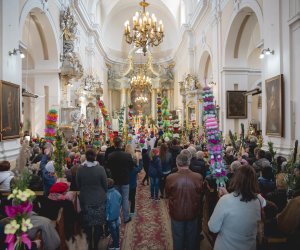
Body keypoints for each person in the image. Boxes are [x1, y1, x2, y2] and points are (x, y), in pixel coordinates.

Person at [208, 165, 266, 250]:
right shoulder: (259, 199)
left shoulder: (225, 200)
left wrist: (226, 196)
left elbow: (213, 227)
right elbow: (242, 203)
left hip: (226, 246)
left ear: (236, 179)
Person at [165, 154, 203, 250]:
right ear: (189, 163)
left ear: (177, 163)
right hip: (193, 212)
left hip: (177, 213)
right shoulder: (198, 177)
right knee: (192, 239)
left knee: (178, 239)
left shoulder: (170, 178)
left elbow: (168, 194)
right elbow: (201, 193)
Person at [76, 149, 108, 250]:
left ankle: (90, 243)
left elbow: (78, 185)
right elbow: (105, 185)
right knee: (98, 224)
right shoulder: (100, 169)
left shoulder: (80, 169)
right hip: (99, 199)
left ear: (86, 157)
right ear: (95, 157)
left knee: (88, 225)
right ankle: (96, 243)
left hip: (86, 200)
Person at [107, 137, 134, 224]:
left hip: (115, 180)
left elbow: (108, 167)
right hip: (125, 179)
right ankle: (126, 218)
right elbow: (132, 167)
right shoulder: (127, 155)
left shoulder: (110, 156)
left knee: (116, 199)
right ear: (121, 144)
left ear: (114, 145)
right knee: (125, 199)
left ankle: (116, 217)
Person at [106, 178, 122, 250]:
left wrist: (106, 216)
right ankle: (116, 243)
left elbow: (106, 207)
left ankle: (116, 245)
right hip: (117, 214)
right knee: (117, 229)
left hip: (110, 216)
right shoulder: (117, 192)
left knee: (113, 231)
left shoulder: (107, 195)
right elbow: (120, 201)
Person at [129, 150, 142, 215]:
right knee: (133, 198)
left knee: (127, 197)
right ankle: (132, 211)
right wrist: (140, 161)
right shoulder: (135, 169)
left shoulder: (126, 169)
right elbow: (140, 168)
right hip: (133, 185)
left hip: (127, 185)